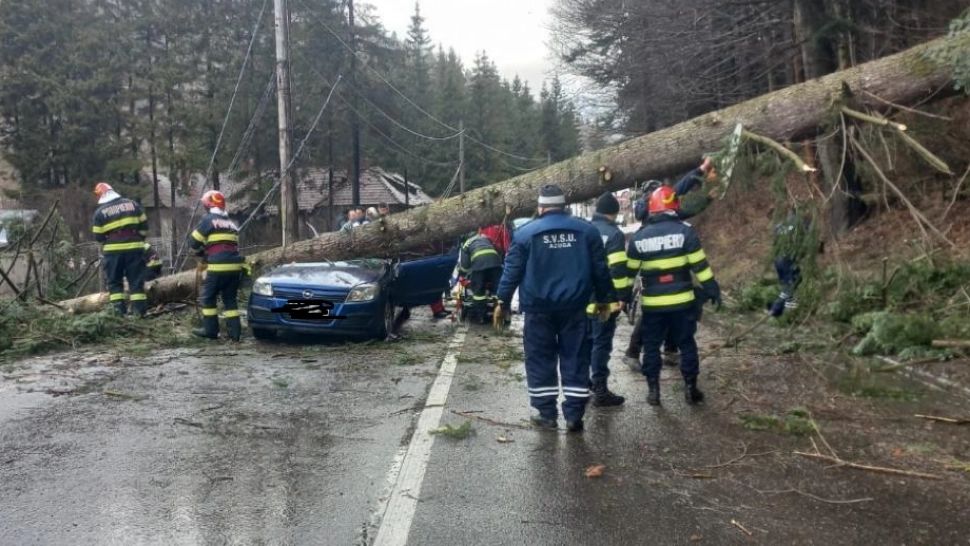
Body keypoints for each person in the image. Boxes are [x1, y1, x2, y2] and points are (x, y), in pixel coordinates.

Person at [495, 184, 612, 433]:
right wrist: (604, 299)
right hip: (575, 308)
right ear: (563, 205)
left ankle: (547, 414)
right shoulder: (586, 231)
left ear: (540, 207)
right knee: (576, 358)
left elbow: (511, 272)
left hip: (539, 310)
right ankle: (574, 416)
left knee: (540, 360)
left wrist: (501, 301)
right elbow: (600, 270)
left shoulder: (526, 234)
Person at [627, 186, 721, 406]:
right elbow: (701, 267)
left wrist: (622, 297)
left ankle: (653, 391)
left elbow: (628, 273)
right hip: (682, 302)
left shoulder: (639, 237)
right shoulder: (685, 232)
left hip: (653, 306)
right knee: (686, 344)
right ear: (674, 205)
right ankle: (690, 388)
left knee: (651, 347)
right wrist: (712, 289)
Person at [626, 157, 717, 366]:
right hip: (659, 268)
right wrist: (701, 169)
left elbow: (686, 210)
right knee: (662, 310)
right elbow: (681, 190)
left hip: (659, 269)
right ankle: (637, 351)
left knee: (668, 308)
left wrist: (707, 199)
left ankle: (666, 349)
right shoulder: (652, 207)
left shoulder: (655, 211)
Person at [586, 192, 629, 407]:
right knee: (601, 344)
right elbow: (618, 270)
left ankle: (583, 385)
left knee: (585, 343)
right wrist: (622, 296)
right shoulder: (614, 234)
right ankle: (600, 390)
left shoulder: (584, 230)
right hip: (603, 302)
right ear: (614, 213)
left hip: (583, 299)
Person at [190, 190, 247, 341]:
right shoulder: (231, 224)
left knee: (208, 298)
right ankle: (235, 334)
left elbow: (193, 242)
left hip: (217, 268)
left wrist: (202, 252)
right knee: (230, 300)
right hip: (235, 267)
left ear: (208, 205)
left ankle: (210, 331)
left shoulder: (208, 220)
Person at [91, 182, 149, 316]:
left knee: (115, 283)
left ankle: (118, 315)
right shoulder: (133, 204)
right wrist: (138, 239)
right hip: (135, 249)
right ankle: (139, 314)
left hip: (113, 252)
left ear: (100, 195)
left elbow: (99, 236)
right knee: (136, 281)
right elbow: (144, 226)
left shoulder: (100, 212)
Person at [769, 207, 812, 317]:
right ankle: (778, 310)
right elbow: (809, 239)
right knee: (793, 282)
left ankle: (782, 311)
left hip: (778, 260)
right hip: (788, 259)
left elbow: (775, 243)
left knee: (788, 284)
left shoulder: (779, 225)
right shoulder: (801, 223)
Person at [458, 231, 503, 324]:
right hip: (495, 264)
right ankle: (501, 313)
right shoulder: (485, 237)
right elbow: (499, 250)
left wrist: (462, 274)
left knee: (479, 293)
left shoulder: (466, 244)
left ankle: (481, 317)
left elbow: (465, 265)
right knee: (497, 289)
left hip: (479, 266)